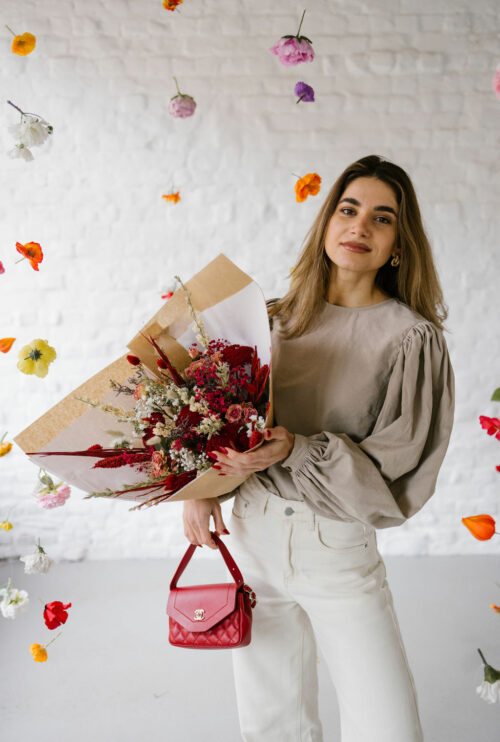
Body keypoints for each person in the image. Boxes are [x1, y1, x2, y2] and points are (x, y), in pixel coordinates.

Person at [183, 154, 455, 742]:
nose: (360, 226)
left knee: (388, 726)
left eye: (382, 218)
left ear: (398, 245)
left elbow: (399, 465)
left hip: (334, 543)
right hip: (251, 533)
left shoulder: (409, 338)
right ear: (327, 222)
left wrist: (297, 451)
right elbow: (220, 420)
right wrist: (200, 488)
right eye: (348, 208)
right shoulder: (270, 320)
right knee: (270, 722)